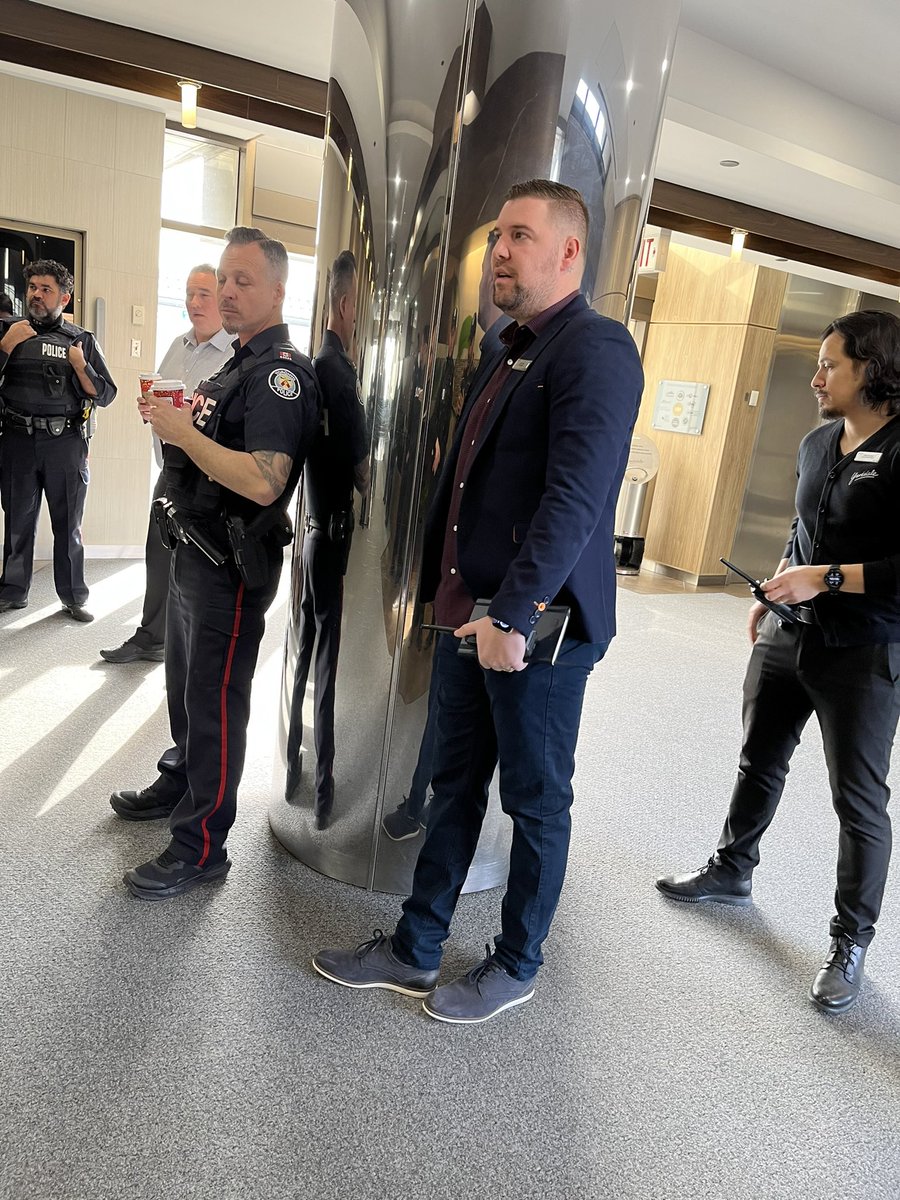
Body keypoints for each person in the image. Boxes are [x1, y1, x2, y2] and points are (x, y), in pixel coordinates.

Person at [313, 179, 644, 1023]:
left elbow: (575, 498)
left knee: (535, 803)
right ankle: (418, 949)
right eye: (498, 235)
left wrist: (514, 613)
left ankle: (518, 961)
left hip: (536, 626)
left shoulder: (598, 349)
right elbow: (470, 485)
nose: (500, 250)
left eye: (521, 236)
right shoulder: (509, 347)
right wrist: (447, 596)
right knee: (454, 787)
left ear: (569, 252)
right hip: (475, 616)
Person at [656, 310, 900, 1014]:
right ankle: (733, 869)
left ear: (874, 371)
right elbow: (804, 531)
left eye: (831, 365)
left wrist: (822, 579)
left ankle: (851, 941)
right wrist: (777, 583)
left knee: (858, 804)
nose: (816, 377)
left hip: (864, 649)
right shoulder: (819, 440)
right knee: (759, 758)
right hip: (790, 633)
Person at [110, 227, 320, 900]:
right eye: (223, 279)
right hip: (189, 548)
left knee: (215, 702)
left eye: (244, 281)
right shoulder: (235, 362)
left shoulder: (279, 373)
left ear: (279, 291)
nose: (229, 291)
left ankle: (201, 846)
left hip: (228, 564)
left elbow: (264, 480)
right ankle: (180, 778)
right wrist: (179, 426)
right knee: (183, 688)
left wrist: (180, 435)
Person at [100, 264, 233, 663]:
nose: (194, 302)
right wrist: (150, 407)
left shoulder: (235, 352)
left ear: (222, 298)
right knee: (158, 552)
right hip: (172, 469)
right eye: (190, 293)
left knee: (199, 565)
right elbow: (162, 394)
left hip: (210, 476)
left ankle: (191, 648)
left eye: (203, 294)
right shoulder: (180, 344)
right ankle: (151, 637)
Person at [285, 250, 368, 826]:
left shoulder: (320, 367)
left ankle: (294, 765)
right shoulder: (338, 374)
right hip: (331, 538)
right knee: (327, 665)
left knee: (302, 655)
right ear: (345, 305)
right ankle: (323, 792)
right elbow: (365, 469)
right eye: (365, 307)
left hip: (312, 534)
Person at [0, 260, 116, 620]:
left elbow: (106, 394)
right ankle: (14, 591)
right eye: (32, 287)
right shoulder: (9, 332)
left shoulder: (81, 339)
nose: (36, 293)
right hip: (17, 440)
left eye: (45, 288)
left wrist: (81, 366)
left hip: (64, 443)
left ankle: (73, 596)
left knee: (68, 525)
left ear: (64, 298)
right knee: (17, 520)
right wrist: (5, 346)